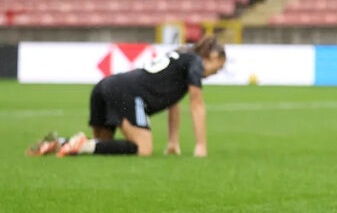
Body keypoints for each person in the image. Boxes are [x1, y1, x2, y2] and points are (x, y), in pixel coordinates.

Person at [25, 36, 226, 157]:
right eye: (218, 67)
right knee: (142, 149)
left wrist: (173, 142)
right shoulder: (195, 63)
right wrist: (201, 146)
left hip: (106, 85)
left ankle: (59, 142)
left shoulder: (182, 57)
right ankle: (80, 144)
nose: (215, 72)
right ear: (214, 56)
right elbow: (196, 105)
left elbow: (173, 104)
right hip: (127, 92)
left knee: (103, 144)